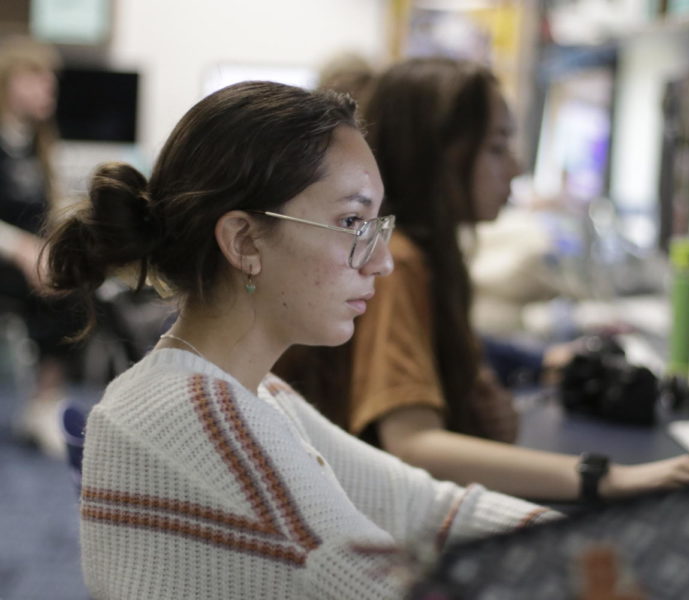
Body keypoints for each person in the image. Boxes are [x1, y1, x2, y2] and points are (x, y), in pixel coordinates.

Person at [42, 81, 557, 599]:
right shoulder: (196, 411)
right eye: (352, 221)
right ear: (244, 241)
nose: (383, 260)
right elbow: (394, 587)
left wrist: (598, 530)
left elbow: (420, 507)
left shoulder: (249, 391)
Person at [276, 57, 689, 503]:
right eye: (497, 147)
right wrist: (608, 478)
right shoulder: (399, 263)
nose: (515, 167)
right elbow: (413, 443)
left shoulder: (435, 256)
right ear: (442, 157)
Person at [0, 35, 78, 458]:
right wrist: (22, 250)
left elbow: (49, 212)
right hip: (8, 258)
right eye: (34, 75)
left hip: (27, 260)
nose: (48, 85)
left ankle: (45, 401)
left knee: (78, 281)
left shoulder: (38, 144)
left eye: (50, 77)